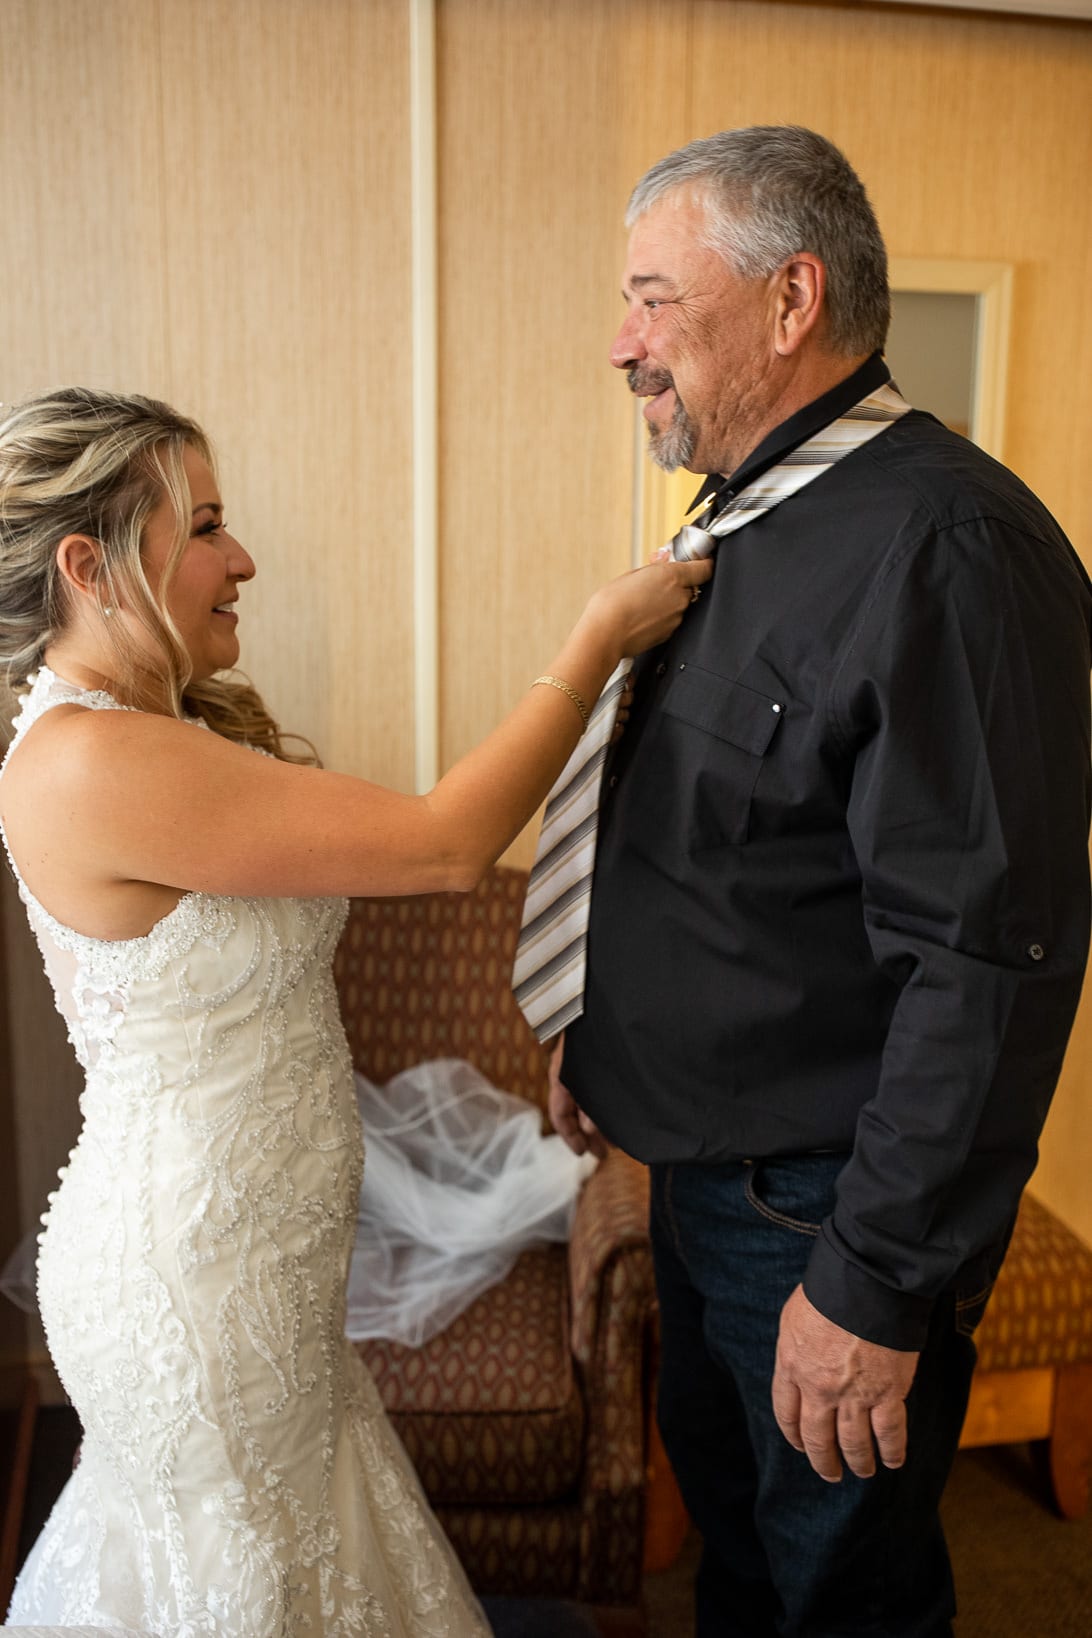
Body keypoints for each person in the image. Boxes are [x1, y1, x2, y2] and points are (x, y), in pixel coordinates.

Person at [0, 385, 710, 1635]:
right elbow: (446, 846)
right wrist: (597, 636)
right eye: (206, 524)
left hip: (263, 1271)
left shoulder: (152, 732)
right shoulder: (90, 759)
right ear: (87, 564)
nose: (242, 559)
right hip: (195, 1285)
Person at [546, 126, 1092, 1637]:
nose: (621, 344)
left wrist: (871, 1282)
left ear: (790, 302)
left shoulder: (948, 548)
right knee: (741, 1569)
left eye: (656, 299)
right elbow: (730, 842)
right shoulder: (752, 517)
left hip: (823, 1216)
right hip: (705, 1175)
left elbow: (988, 957)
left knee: (837, 1603)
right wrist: (608, 1042)